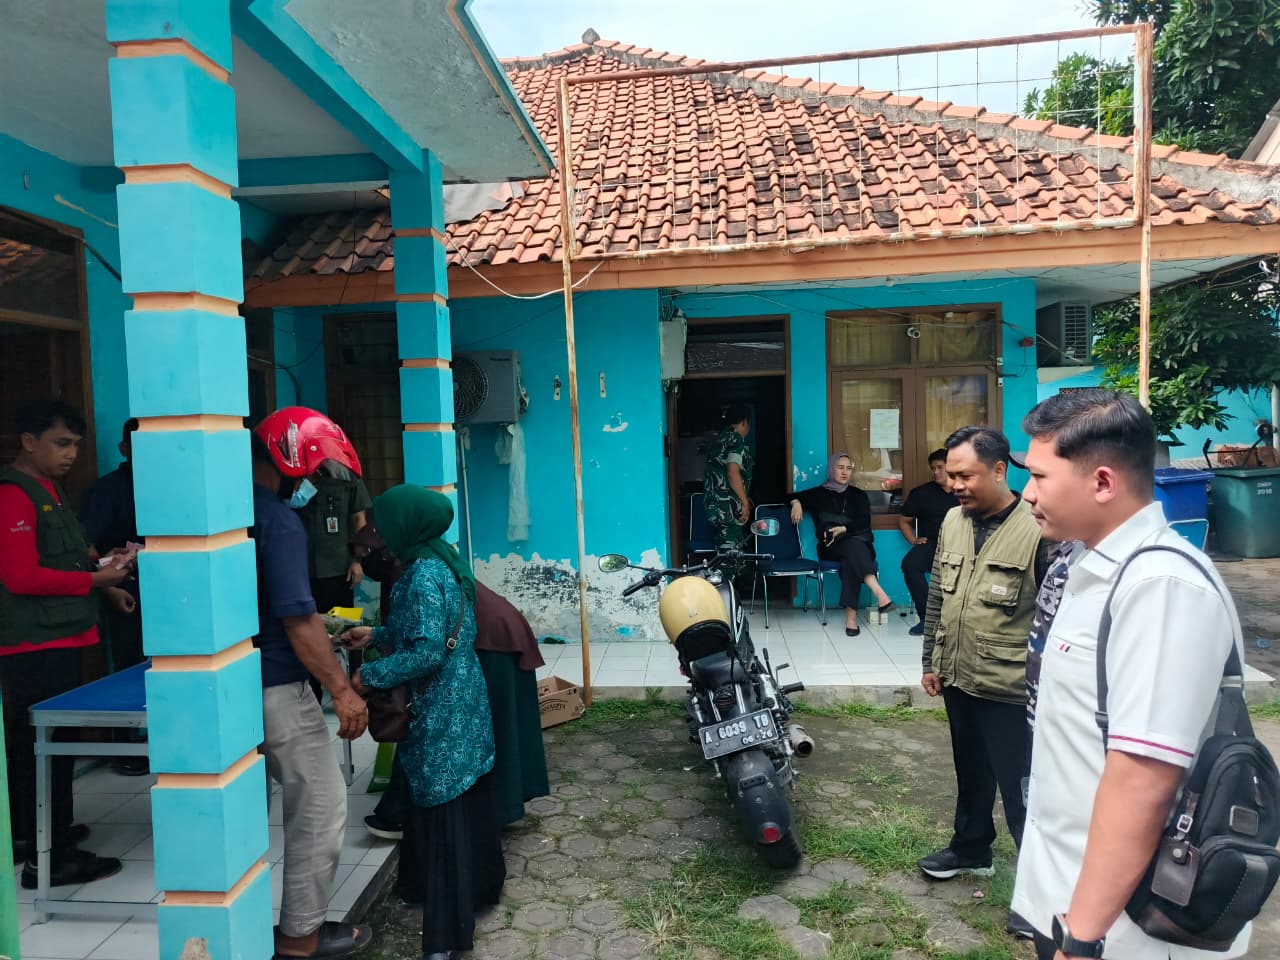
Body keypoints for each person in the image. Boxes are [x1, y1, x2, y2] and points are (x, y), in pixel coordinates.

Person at [1012, 389, 1251, 960]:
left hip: (1130, 926)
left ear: (1102, 483)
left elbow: (1143, 778)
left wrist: (1083, 937)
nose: (1027, 494)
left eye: (1039, 477)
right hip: (1074, 891)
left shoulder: (1160, 588)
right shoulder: (1089, 565)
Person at [341, 487, 503, 960]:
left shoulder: (422, 574)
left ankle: (446, 937)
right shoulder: (441, 560)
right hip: (463, 694)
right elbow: (433, 628)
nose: (380, 532)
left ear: (407, 525)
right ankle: (475, 891)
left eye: (386, 522)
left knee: (443, 805)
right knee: (463, 797)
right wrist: (376, 633)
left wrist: (368, 676)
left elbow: (428, 652)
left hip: (441, 705)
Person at [916, 425, 1051, 945]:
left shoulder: (1038, 528)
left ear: (998, 470)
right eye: (950, 475)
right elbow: (938, 594)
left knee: (1023, 792)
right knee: (970, 771)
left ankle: (1040, 897)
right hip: (958, 676)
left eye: (965, 475)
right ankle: (971, 849)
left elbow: (1054, 617)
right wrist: (930, 659)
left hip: (1011, 688)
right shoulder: (953, 520)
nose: (955, 485)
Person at [250, 409, 372, 960]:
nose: (316, 482)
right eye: (316, 471)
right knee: (320, 805)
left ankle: (243, 922)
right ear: (290, 461)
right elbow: (297, 621)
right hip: (279, 684)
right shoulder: (278, 521)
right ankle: (300, 937)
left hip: (232, 678)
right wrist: (341, 690)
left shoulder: (228, 512)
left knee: (247, 804)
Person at [0, 401, 127, 887]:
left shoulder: (50, 490)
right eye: (61, 443)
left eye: (75, 444)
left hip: (63, 634)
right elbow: (21, 577)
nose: (71, 453)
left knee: (50, 746)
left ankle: (40, 835)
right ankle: (47, 859)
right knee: (42, 748)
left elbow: (72, 556)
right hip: (34, 645)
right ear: (28, 442)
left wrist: (107, 584)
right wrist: (96, 583)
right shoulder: (13, 495)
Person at [79, 417, 148, 775]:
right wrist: (107, 587)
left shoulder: (168, 483)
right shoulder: (108, 490)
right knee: (128, 667)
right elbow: (86, 546)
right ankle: (127, 747)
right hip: (124, 591)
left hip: (172, 593)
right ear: (124, 449)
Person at [788, 453, 895, 636]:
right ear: (831, 469)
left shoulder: (858, 495)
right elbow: (786, 496)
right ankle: (878, 593)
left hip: (859, 544)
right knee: (852, 552)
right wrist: (796, 502)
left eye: (848, 468)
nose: (845, 472)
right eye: (840, 468)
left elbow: (864, 522)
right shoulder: (818, 494)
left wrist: (844, 529)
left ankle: (851, 619)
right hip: (830, 546)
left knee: (850, 557)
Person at [899, 448, 958, 636]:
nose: (935, 472)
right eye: (933, 468)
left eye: (940, 467)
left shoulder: (965, 490)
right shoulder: (921, 493)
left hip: (962, 545)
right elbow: (904, 521)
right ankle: (928, 618)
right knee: (910, 564)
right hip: (932, 543)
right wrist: (913, 540)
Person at [703, 403, 753, 545]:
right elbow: (732, 472)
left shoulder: (718, 440)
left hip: (714, 507)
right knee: (731, 552)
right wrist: (744, 502)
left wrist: (745, 496)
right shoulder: (736, 440)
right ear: (744, 422)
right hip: (729, 509)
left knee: (722, 549)